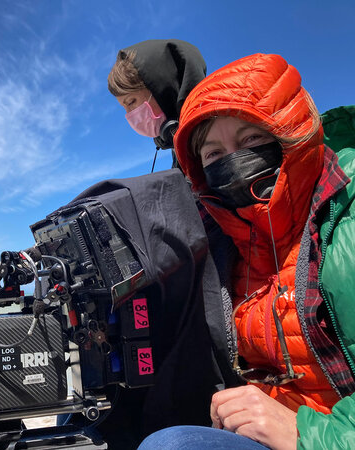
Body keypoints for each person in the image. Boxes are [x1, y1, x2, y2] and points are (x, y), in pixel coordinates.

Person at [138, 53, 355, 449]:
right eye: (214, 155)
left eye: (252, 139)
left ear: (291, 132)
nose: (234, 162)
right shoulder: (226, 237)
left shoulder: (346, 218)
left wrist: (308, 435)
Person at [107, 39, 207, 168]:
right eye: (124, 107)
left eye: (131, 101)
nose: (130, 114)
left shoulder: (220, 136)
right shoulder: (181, 151)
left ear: (164, 89)